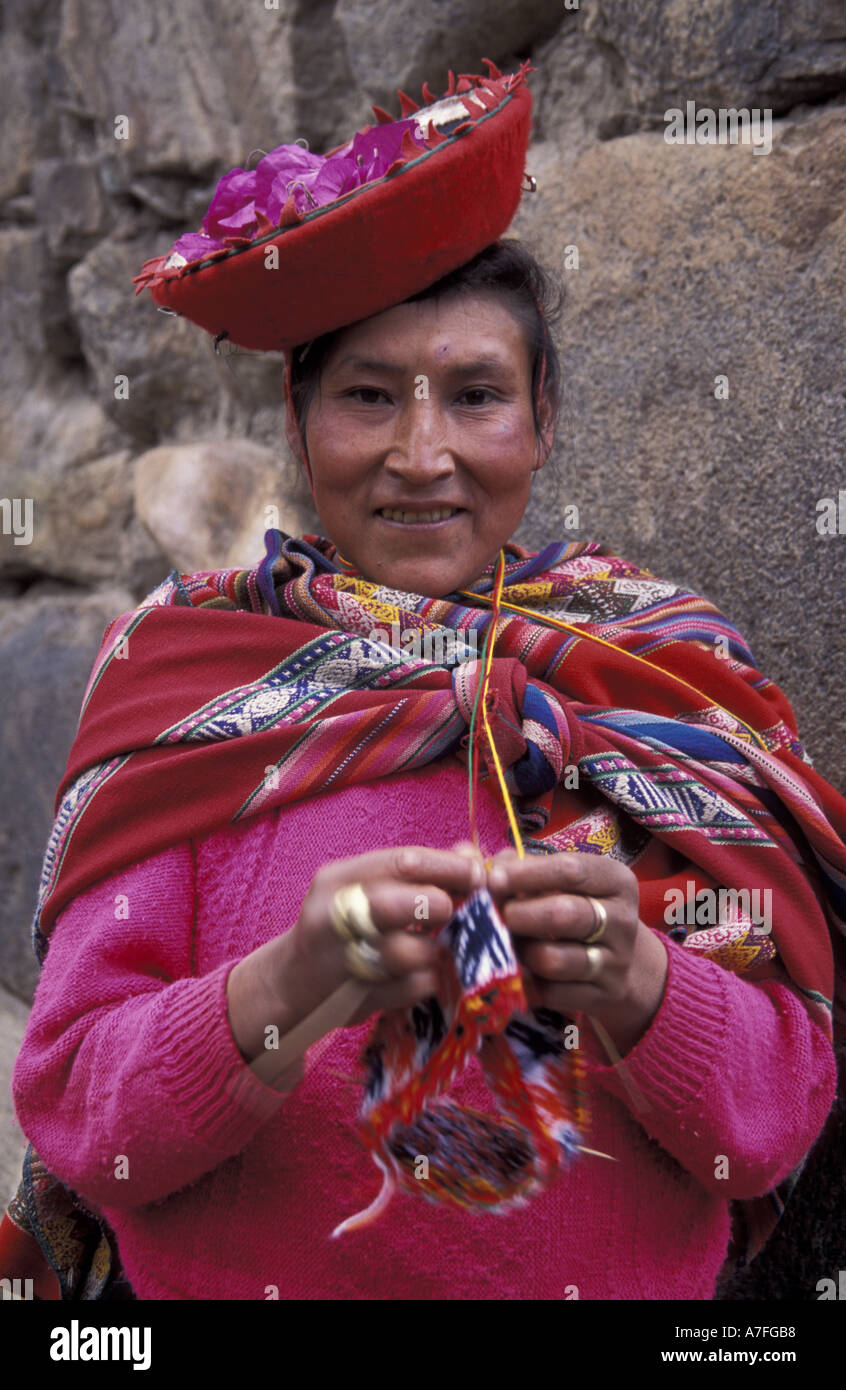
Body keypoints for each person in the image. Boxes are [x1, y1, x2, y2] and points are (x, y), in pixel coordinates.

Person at [3, 64, 845, 1302]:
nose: (421, 453)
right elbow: (85, 1112)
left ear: (541, 419)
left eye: (475, 396)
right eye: (364, 396)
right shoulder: (186, 676)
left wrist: (640, 983)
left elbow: (772, 1122)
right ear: (298, 423)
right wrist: (286, 987)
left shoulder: (666, 669)